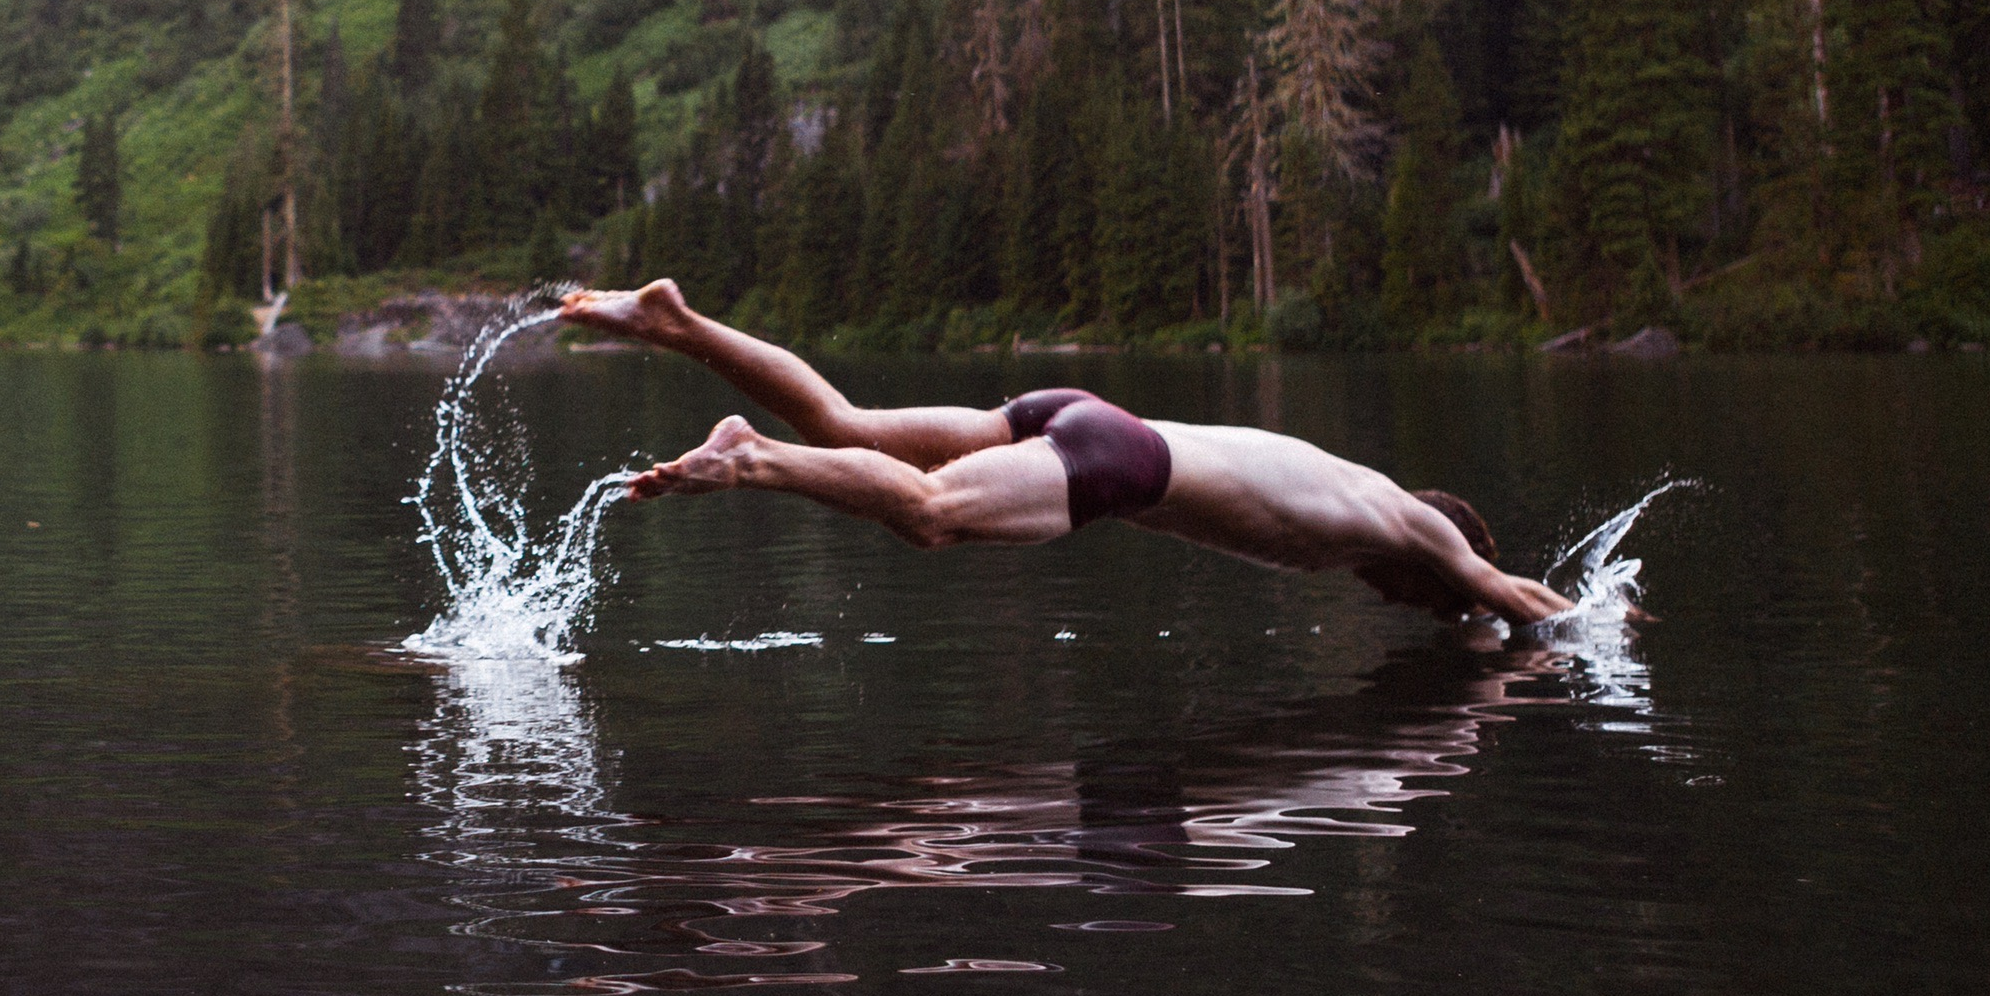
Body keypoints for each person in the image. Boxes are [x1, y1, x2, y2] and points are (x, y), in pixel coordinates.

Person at [557, 280, 1574, 623]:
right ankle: (747, 459)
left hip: (1095, 417)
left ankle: (674, 322)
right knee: (929, 513)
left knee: (851, 424)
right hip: (1121, 460)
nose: (1399, 604)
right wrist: (1591, 619)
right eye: (1426, 598)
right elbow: (1504, 591)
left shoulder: (1364, 502)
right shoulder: (1410, 520)